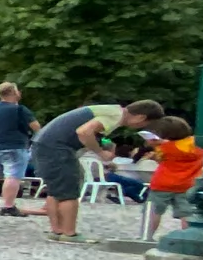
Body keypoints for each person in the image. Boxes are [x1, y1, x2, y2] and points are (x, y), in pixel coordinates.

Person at [30, 98, 165, 241]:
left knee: (56, 189)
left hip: (44, 144)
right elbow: (84, 132)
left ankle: (57, 231)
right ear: (141, 117)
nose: (141, 128)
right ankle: (69, 233)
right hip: (58, 148)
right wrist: (100, 152)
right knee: (69, 191)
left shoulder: (112, 110)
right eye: (146, 124)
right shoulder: (115, 116)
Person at [0, 82, 39, 216]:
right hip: (15, 146)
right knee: (13, 176)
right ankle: (8, 206)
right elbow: (36, 127)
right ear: (14, 92)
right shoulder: (19, 109)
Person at [144, 115, 203, 239]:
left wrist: (155, 148)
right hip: (187, 184)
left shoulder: (164, 147)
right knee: (186, 213)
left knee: (154, 210)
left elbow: (161, 160)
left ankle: (147, 236)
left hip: (163, 183)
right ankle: (189, 238)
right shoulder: (198, 144)